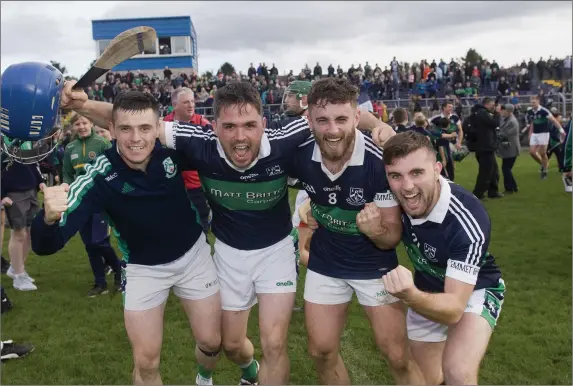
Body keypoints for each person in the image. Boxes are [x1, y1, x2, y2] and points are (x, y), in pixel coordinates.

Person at [60, 79, 395, 385]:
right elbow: (133, 122)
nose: (240, 137)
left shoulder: (284, 139)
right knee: (231, 345)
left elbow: (336, 112)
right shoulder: (197, 142)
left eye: (250, 126)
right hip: (229, 253)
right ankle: (248, 373)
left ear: (264, 125)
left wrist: (378, 124)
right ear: (214, 125)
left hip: (276, 250)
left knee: (274, 343)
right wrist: (81, 105)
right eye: (230, 126)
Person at [31, 91, 222, 386]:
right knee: (146, 363)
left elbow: (222, 145)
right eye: (125, 129)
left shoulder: (171, 150)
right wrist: (47, 219)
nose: (136, 138)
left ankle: (204, 377)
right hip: (142, 270)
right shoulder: (99, 176)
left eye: (145, 128)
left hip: (194, 258)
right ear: (111, 130)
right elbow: (46, 246)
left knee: (211, 342)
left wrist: (81, 103)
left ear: (158, 127)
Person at [292, 78, 424, 385]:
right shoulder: (297, 153)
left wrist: (375, 231)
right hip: (327, 262)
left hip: (374, 263)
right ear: (309, 119)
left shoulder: (380, 163)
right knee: (321, 352)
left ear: (356, 118)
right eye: (322, 120)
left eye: (341, 119)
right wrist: (303, 217)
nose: (333, 130)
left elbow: (391, 236)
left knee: (397, 356)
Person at [381, 130, 505, 385]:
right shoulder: (391, 198)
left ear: (437, 168)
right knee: (424, 378)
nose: (407, 187)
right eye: (396, 176)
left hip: (473, 291)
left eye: (417, 173)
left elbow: (453, 310)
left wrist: (410, 294)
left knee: (458, 372)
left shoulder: (466, 219)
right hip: (427, 289)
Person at [63, 112, 123, 296]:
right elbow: (67, 173)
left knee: (99, 241)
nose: (81, 127)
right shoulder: (70, 148)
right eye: (77, 124)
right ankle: (100, 284)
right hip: (80, 201)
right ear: (73, 127)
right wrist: (66, 184)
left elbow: (113, 168)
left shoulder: (101, 143)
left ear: (91, 123)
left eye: (84, 122)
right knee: (89, 245)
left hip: (100, 201)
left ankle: (120, 271)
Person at [162, 87, 212, 234]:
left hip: (196, 184)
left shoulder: (203, 123)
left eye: (192, 101)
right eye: (186, 102)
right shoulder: (163, 124)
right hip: (172, 182)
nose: (191, 105)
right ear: (174, 105)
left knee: (202, 221)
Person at [467, 97, 502, 200]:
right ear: (486, 104)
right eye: (492, 105)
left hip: (484, 146)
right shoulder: (482, 113)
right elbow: (494, 123)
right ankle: (478, 193)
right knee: (486, 171)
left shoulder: (477, 113)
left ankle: (493, 191)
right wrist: (497, 113)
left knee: (493, 170)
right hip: (485, 147)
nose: (493, 107)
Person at [526, 95, 564, 179]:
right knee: (532, 152)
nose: (532, 104)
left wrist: (561, 130)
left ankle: (544, 170)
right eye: (531, 102)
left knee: (543, 153)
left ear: (538, 102)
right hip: (535, 134)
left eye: (534, 102)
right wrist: (530, 134)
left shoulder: (544, 111)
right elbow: (532, 123)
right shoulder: (530, 112)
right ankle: (544, 165)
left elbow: (554, 121)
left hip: (544, 133)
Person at [497, 104, 521, 194]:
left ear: (509, 111)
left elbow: (504, 134)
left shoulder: (512, 122)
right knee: (506, 168)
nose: (501, 112)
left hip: (511, 148)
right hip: (507, 148)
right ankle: (512, 187)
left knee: (506, 168)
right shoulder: (506, 119)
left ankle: (510, 188)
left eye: (504, 110)